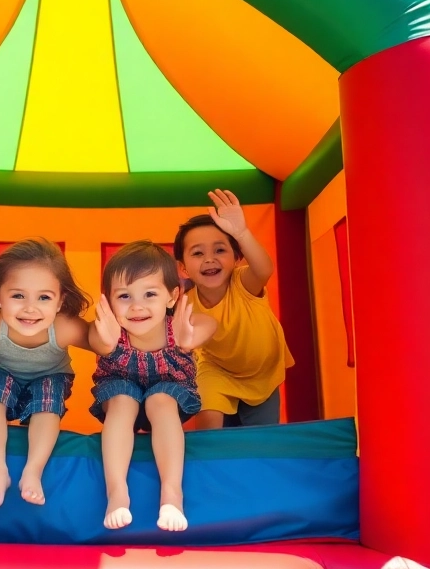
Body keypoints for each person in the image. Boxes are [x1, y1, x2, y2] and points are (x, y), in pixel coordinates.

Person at [89, 241, 216, 532]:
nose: (136, 306)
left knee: (160, 400)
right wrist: (104, 342)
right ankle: (117, 492)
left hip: (167, 396)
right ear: (108, 300)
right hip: (122, 394)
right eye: (124, 296)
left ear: (172, 297)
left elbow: (210, 324)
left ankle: (172, 494)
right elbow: (93, 339)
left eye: (149, 293)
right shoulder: (112, 330)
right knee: (122, 400)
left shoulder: (178, 326)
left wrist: (189, 340)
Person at [0, 239, 93, 508]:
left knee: (48, 402)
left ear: (60, 301)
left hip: (49, 376)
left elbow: (103, 345)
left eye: (44, 297)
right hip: (0, 374)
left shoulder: (65, 327)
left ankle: (33, 471)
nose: (30, 307)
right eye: (17, 295)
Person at [174, 189, 294, 430]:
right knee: (208, 419)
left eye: (220, 250)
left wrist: (241, 233)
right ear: (184, 268)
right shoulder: (185, 303)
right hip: (217, 370)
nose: (209, 259)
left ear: (238, 257)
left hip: (262, 376)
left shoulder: (243, 283)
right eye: (198, 253)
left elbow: (264, 269)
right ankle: (210, 460)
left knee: (261, 439)